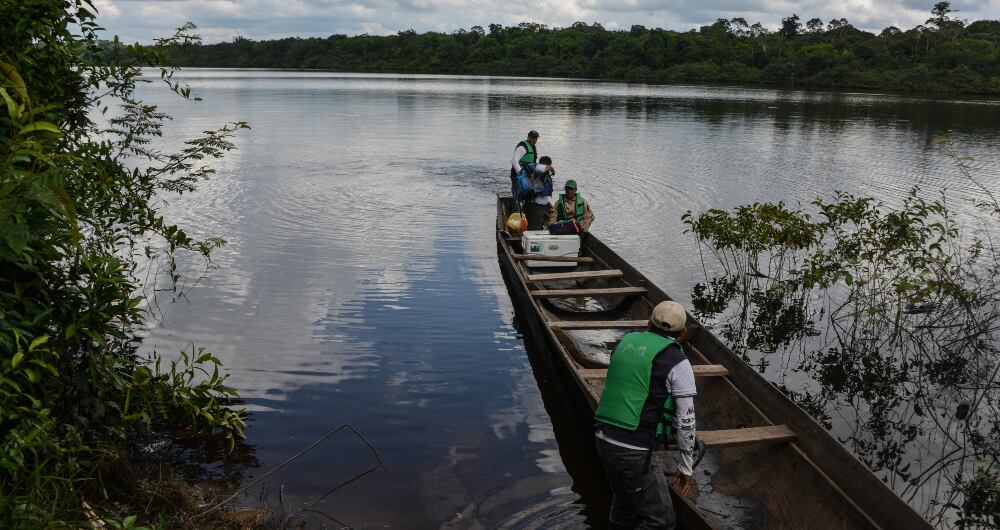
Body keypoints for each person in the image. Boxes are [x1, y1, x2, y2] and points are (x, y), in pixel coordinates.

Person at [593, 300, 699, 530]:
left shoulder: (624, 343)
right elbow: (687, 420)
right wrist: (686, 466)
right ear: (682, 333)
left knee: (624, 506)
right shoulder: (678, 362)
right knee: (661, 522)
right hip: (633, 450)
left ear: (648, 323)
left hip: (602, 436)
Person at [522, 155, 555, 230]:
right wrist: (551, 168)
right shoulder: (538, 171)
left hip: (537, 206)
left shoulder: (544, 175)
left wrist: (549, 205)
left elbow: (542, 196)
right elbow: (539, 168)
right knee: (534, 231)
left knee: (535, 228)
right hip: (535, 208)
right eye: (549, 165)